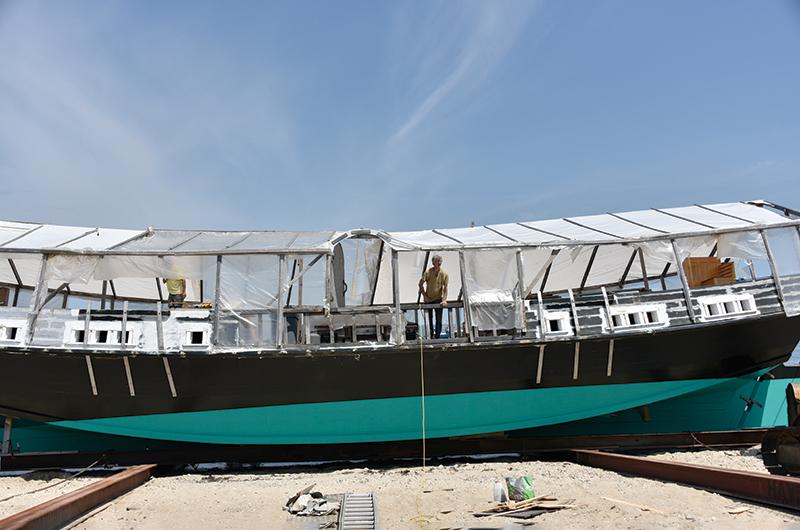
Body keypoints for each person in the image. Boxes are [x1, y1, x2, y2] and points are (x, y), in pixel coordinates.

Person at [418, 255, 449, 339]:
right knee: (429, 319)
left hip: (438, 299)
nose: (439, 263)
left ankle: (437, 336)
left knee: (439, 319)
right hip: (429, 298)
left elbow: (445, 288)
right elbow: (420, 284)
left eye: (440, 261)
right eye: (437, 261)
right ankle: (430, 335)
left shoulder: (444, 274)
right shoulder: (428, 272)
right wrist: (425, 296)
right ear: (433, 263)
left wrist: (444, 300)